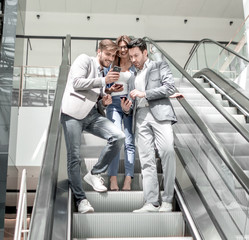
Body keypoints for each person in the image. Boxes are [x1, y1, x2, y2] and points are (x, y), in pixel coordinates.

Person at [61, 39, 125, 214]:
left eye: (113, 56)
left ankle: (95, 172)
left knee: (118, 136)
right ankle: (81, 200)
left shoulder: (104, 72)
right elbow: (77, 83)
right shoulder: (84, 60)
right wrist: (104, 80)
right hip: (73, 114)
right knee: (74, 157)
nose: (110, 59)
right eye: (108, 54)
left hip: (92, 115)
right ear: (99, 51)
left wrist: (105, 99)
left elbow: (97, 99)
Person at [121, 38, 181, 213]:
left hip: (160, 115)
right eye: (130, 56)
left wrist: (144, 93)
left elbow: (170, 87)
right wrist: (127, 109)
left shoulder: (159, 66)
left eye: (136, 55)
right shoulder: (132, 76)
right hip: (140, 117)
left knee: (168, 152)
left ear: (145, 52)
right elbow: (133, 100)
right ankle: (152, 202)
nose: (133, 59)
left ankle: (168, 200)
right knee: (146, 160)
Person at [105, 35, 135, 191]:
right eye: (121, 47)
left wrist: (129, 105)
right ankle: (113, 178)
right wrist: (110, 89)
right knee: (116, 140)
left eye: (126, 46)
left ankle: (128, 179)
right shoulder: (112, 64)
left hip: (129, 103)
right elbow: (104, 86)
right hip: (114, 104)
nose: (123, 49)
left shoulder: (135, 65)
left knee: (129, 142)